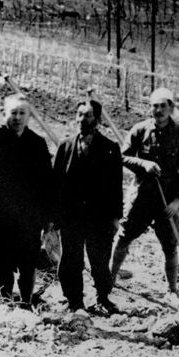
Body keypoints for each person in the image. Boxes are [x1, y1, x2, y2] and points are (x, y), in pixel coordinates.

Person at [111, 87, 179, 306]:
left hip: (168, 200)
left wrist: (178, 200)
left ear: (171, 108)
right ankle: (109, 279)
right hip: (141, 196)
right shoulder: (140, 130)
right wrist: (143, 164)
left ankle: (172, 290)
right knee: (124, 236)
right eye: (155, 106)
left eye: (163, 106)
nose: (159, 110)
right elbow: (123, 156)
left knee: (170, 244)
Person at [0, 93, 53, 307]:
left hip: (29, 217)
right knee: (2, 261)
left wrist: (48, 216)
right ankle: (5, 301)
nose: (17, 117)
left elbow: (47, 182)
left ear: (29, 116)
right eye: (13, 112)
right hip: (0, 214)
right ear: (4, 114)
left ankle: (26, 302)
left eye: (22, 113)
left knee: (28, 262)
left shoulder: (37, 144)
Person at [53, 98, 123, 314]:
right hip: (71, 216)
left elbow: (115, 187)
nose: (83, 119)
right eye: (80, 115)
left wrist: (115, 217)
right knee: (70, 259)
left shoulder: (110, 148)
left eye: (88, 115)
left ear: (98, 120)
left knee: (99, 261)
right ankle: (74, 301)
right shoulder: (65, 146)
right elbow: (55, 183)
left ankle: (103, 297)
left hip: (99, 218)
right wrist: (54, 216)